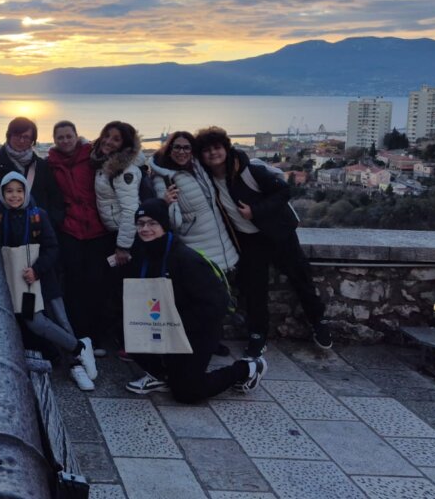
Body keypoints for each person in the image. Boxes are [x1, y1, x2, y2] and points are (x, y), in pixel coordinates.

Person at [194, 126, 332, 356]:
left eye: (217, 148)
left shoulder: (248, 170)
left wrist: (255, 211)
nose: (213, 153)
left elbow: (283, 192)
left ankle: (318, 322)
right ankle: (258, 334)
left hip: (279, 233)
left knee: (301, 279)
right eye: (207, 150)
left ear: (226, 148)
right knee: (254, 289)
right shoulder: (207, 179)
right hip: (250, 241)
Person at [0, 172, 99, 390]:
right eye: (9, 191)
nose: (14, 196)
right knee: (34, 322)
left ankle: (76, 363)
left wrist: (37, 269)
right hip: (17, 282)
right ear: (2, 193)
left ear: (25, 192)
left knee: (60, 320)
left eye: (19, 190)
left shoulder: (38, 216)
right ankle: (79, 348)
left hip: (42, 280)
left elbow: (52, 247)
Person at [124, 199, 267, 403]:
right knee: (126, 329)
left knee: (187, 392)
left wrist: (179, 328)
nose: (145, 229)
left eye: (152, 223)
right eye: (141, 223)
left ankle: (247, 368)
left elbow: (216, 303)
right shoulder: (141, 253)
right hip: (163, 323)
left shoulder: (185, 259)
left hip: (197, 329)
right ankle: (162, 375)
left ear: (164, 225)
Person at [47, 121, 112, 356]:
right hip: (70, 229)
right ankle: (79, 335)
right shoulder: (50, 164)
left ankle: (97, 336)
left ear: (76, 136)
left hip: (97, 228)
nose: (65, 141)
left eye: (68, 136)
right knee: (74, 284)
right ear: (54, 140)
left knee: (97, 283)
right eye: (60, 137)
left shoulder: (92, 157)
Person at [148, 131, 239, 274]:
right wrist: (167, 204)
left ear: (192, 150)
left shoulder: (198, 167)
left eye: (186, 147)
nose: (181, 152)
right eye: (177, 147)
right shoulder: (163, 179)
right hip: (198, 249)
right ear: (169, 149)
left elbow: (225, 159)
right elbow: (174, 224)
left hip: (225, 248)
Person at [92, 121, 146, 356]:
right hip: (112, 233)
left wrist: (123, 246)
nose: (108, 141)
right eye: (106, 136)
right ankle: (119, 338)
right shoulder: (105, 163)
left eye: (116, 139)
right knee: (112, 289)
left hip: (123, 237)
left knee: (124, 290)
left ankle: (129, 343)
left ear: (125, 145)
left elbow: (130, 211)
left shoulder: (125, 170)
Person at [0, 117, 63, 228]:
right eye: (17, 136)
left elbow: (54, 198)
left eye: (26, 137)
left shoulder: (41, 166)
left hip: (36, 229)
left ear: (32, 140)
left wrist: (49, 223)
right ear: (9, 136)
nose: (21, 141)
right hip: (3, 229)